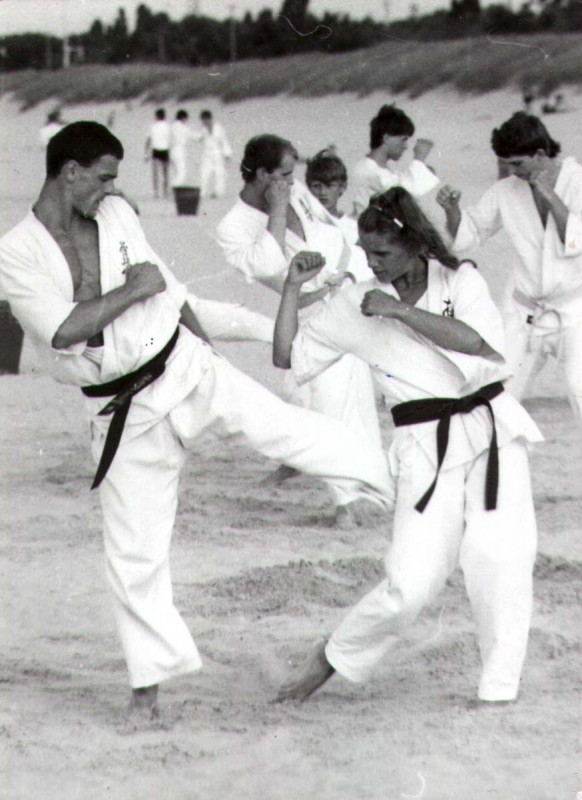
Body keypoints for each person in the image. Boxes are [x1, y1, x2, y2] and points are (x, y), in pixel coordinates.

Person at [0, 122, 393, 720]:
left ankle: (402, 481)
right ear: (69, 171)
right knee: (134, 552)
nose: (111, 189)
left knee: (287, 430)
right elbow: (62, 329)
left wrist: (205, 348)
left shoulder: (115, 215)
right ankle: (147, 692)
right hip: (120, 408)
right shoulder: (16, 251)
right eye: (103, 177)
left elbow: (170, 290)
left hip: (182, 361)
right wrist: (134, 290)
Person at [273, 187, 542, 705]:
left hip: (491, 428)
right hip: (423, 445)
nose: (371, 264)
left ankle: (498, 690)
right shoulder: (355, 303)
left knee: (500, 556)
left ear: (415, 243)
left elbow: (479, 344)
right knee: (408, 584)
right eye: (366, 252)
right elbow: (286, 355)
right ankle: (331, 656)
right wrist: (291, 288)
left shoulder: (461, 279)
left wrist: (398, 312)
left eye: (382, 253)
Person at [216, 134, 380, 517]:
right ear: (262, 174)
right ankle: (344, 504)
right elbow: (268, 266)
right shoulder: (232, 226)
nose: (293, 183)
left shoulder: (298, 191)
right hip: (310, 314)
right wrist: (277, 209)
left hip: (348, 293)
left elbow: (332, 228)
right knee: (327, 401)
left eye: (293, 175)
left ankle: (361, 483)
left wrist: (352, 270)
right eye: (285, 175)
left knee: (357, 400)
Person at [437, 112, 582, 423]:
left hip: (575, 310)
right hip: (524, 311)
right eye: (506, 164)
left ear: (540, 154)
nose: (512, 171)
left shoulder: (578, 180)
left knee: (579, 389)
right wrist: (452, 210)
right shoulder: (506, 189)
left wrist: (548, 194)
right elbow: (470, 234)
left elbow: (577, 240)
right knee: (498, 393)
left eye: (517, 163)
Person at [351, 105, 439, 217]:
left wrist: (423, 169)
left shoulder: (376, 169)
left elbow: (398, 183)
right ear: (386, 138)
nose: (406, 146)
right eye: (403, 140)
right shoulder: (369, 171)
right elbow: (408, 195)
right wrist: (419, 158)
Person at [305, 149, 360, 246]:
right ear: (309, 188)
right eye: (317, 186)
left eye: (329, 186)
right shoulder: (305, 223)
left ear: (342, 187)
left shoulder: (353, 228)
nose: (322, 192)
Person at [194, 110, 233, 199]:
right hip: (206, 154)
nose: (204, 122)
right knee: (204, 173)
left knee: (219, 173)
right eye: (202, 121)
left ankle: (218, 192)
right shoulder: (203, 129)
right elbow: (198, 137)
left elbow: (224, 141)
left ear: (209, 119)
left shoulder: (218, 128)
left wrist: (227, 153)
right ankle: (202, 192)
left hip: (217, 153)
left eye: (205, 120)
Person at [144, 108, 170, 198]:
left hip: (156, 150)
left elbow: (148, 140)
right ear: (164, 116)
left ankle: (156, 191)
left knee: (155, 173)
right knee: (165, 173)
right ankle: (165, 191)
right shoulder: (167, 126)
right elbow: (170, 139)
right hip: (165, 150)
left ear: (156, 116)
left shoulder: (153, 126)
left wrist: (146, 153)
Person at [170, 109, 195, 187]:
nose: (186, 121)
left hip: (171, 151)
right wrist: (202, 136)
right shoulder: (183, 127)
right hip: (179, 150)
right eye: (186, 119)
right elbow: (192, 135)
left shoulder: (171, 127)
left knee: (176, 172)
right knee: (182, 172)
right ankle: (174, 188)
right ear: (183, 118)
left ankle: (172, 187)